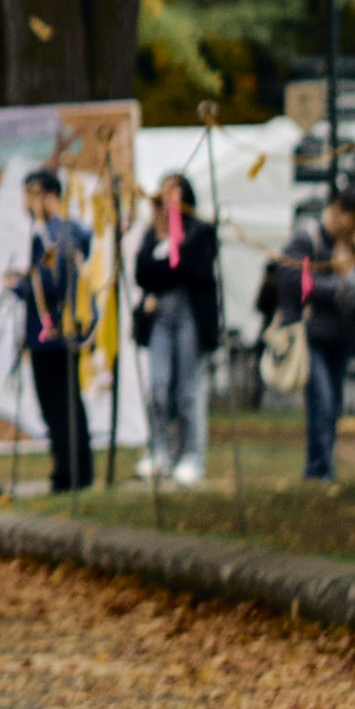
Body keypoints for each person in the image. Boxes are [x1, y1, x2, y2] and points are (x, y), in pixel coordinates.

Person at [130, 168, 222, 489]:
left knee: (187, 391)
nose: (167, 199)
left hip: (190, 317)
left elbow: (188, 267)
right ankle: (159, 451)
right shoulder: (152, 234)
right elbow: (143, 272)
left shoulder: (200, 231)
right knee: (157, 387)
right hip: (160, 319)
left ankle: (191, 454)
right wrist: (166, 268)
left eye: (174, 191)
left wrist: (166, 269)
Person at [13, 171, 97, 495]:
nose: (26, 204)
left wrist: (19, 286)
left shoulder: (55, 234)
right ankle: (69, 468)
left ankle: (70, 471)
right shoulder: (63, 232)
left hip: (54, 333)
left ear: (48, 196)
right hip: (55, 331)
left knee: (60, 404)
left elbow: (51, 282)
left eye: (30, 196)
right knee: (64, 403)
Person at [301, 196, 355, 488]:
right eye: (352, 219)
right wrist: (340, 286)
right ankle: (318, 468)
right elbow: (300, 283)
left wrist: (352, 278)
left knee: (334, 404)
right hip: (314, 334)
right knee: (322, 401)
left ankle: (323, 465)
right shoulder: (311, 238)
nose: (354, 227)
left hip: (342, 335)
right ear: (339, 212)